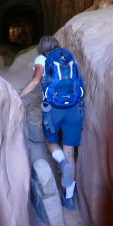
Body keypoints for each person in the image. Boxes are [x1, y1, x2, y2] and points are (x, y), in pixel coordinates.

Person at [19, 36, 84, 199]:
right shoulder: (67, 56)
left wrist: (19, 95)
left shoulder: (42, 58)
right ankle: (69, 198)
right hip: (74, 107)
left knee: (51, 142)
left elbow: (35, 81)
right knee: (70, 151)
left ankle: (61, 162)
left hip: (54, 108)